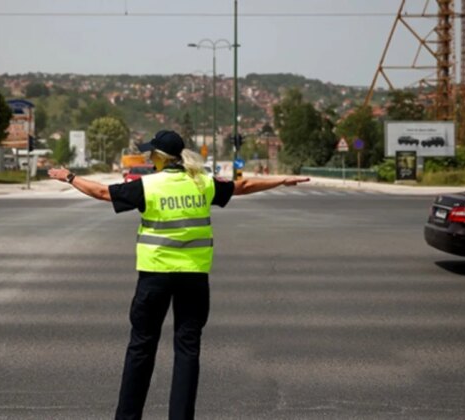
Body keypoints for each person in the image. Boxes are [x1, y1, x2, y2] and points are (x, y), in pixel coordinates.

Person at [48, 130, 309, 420]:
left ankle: (127, 417)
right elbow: (243, 185)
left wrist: (69, 177)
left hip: (155, 276)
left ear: (159, 157)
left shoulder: (148, 185)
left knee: (141, 347)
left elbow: (101, 192)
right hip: (194, 278)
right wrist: (283, 179)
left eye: (152, 154)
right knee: (187, 350)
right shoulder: (202, 183)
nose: (149, 158)